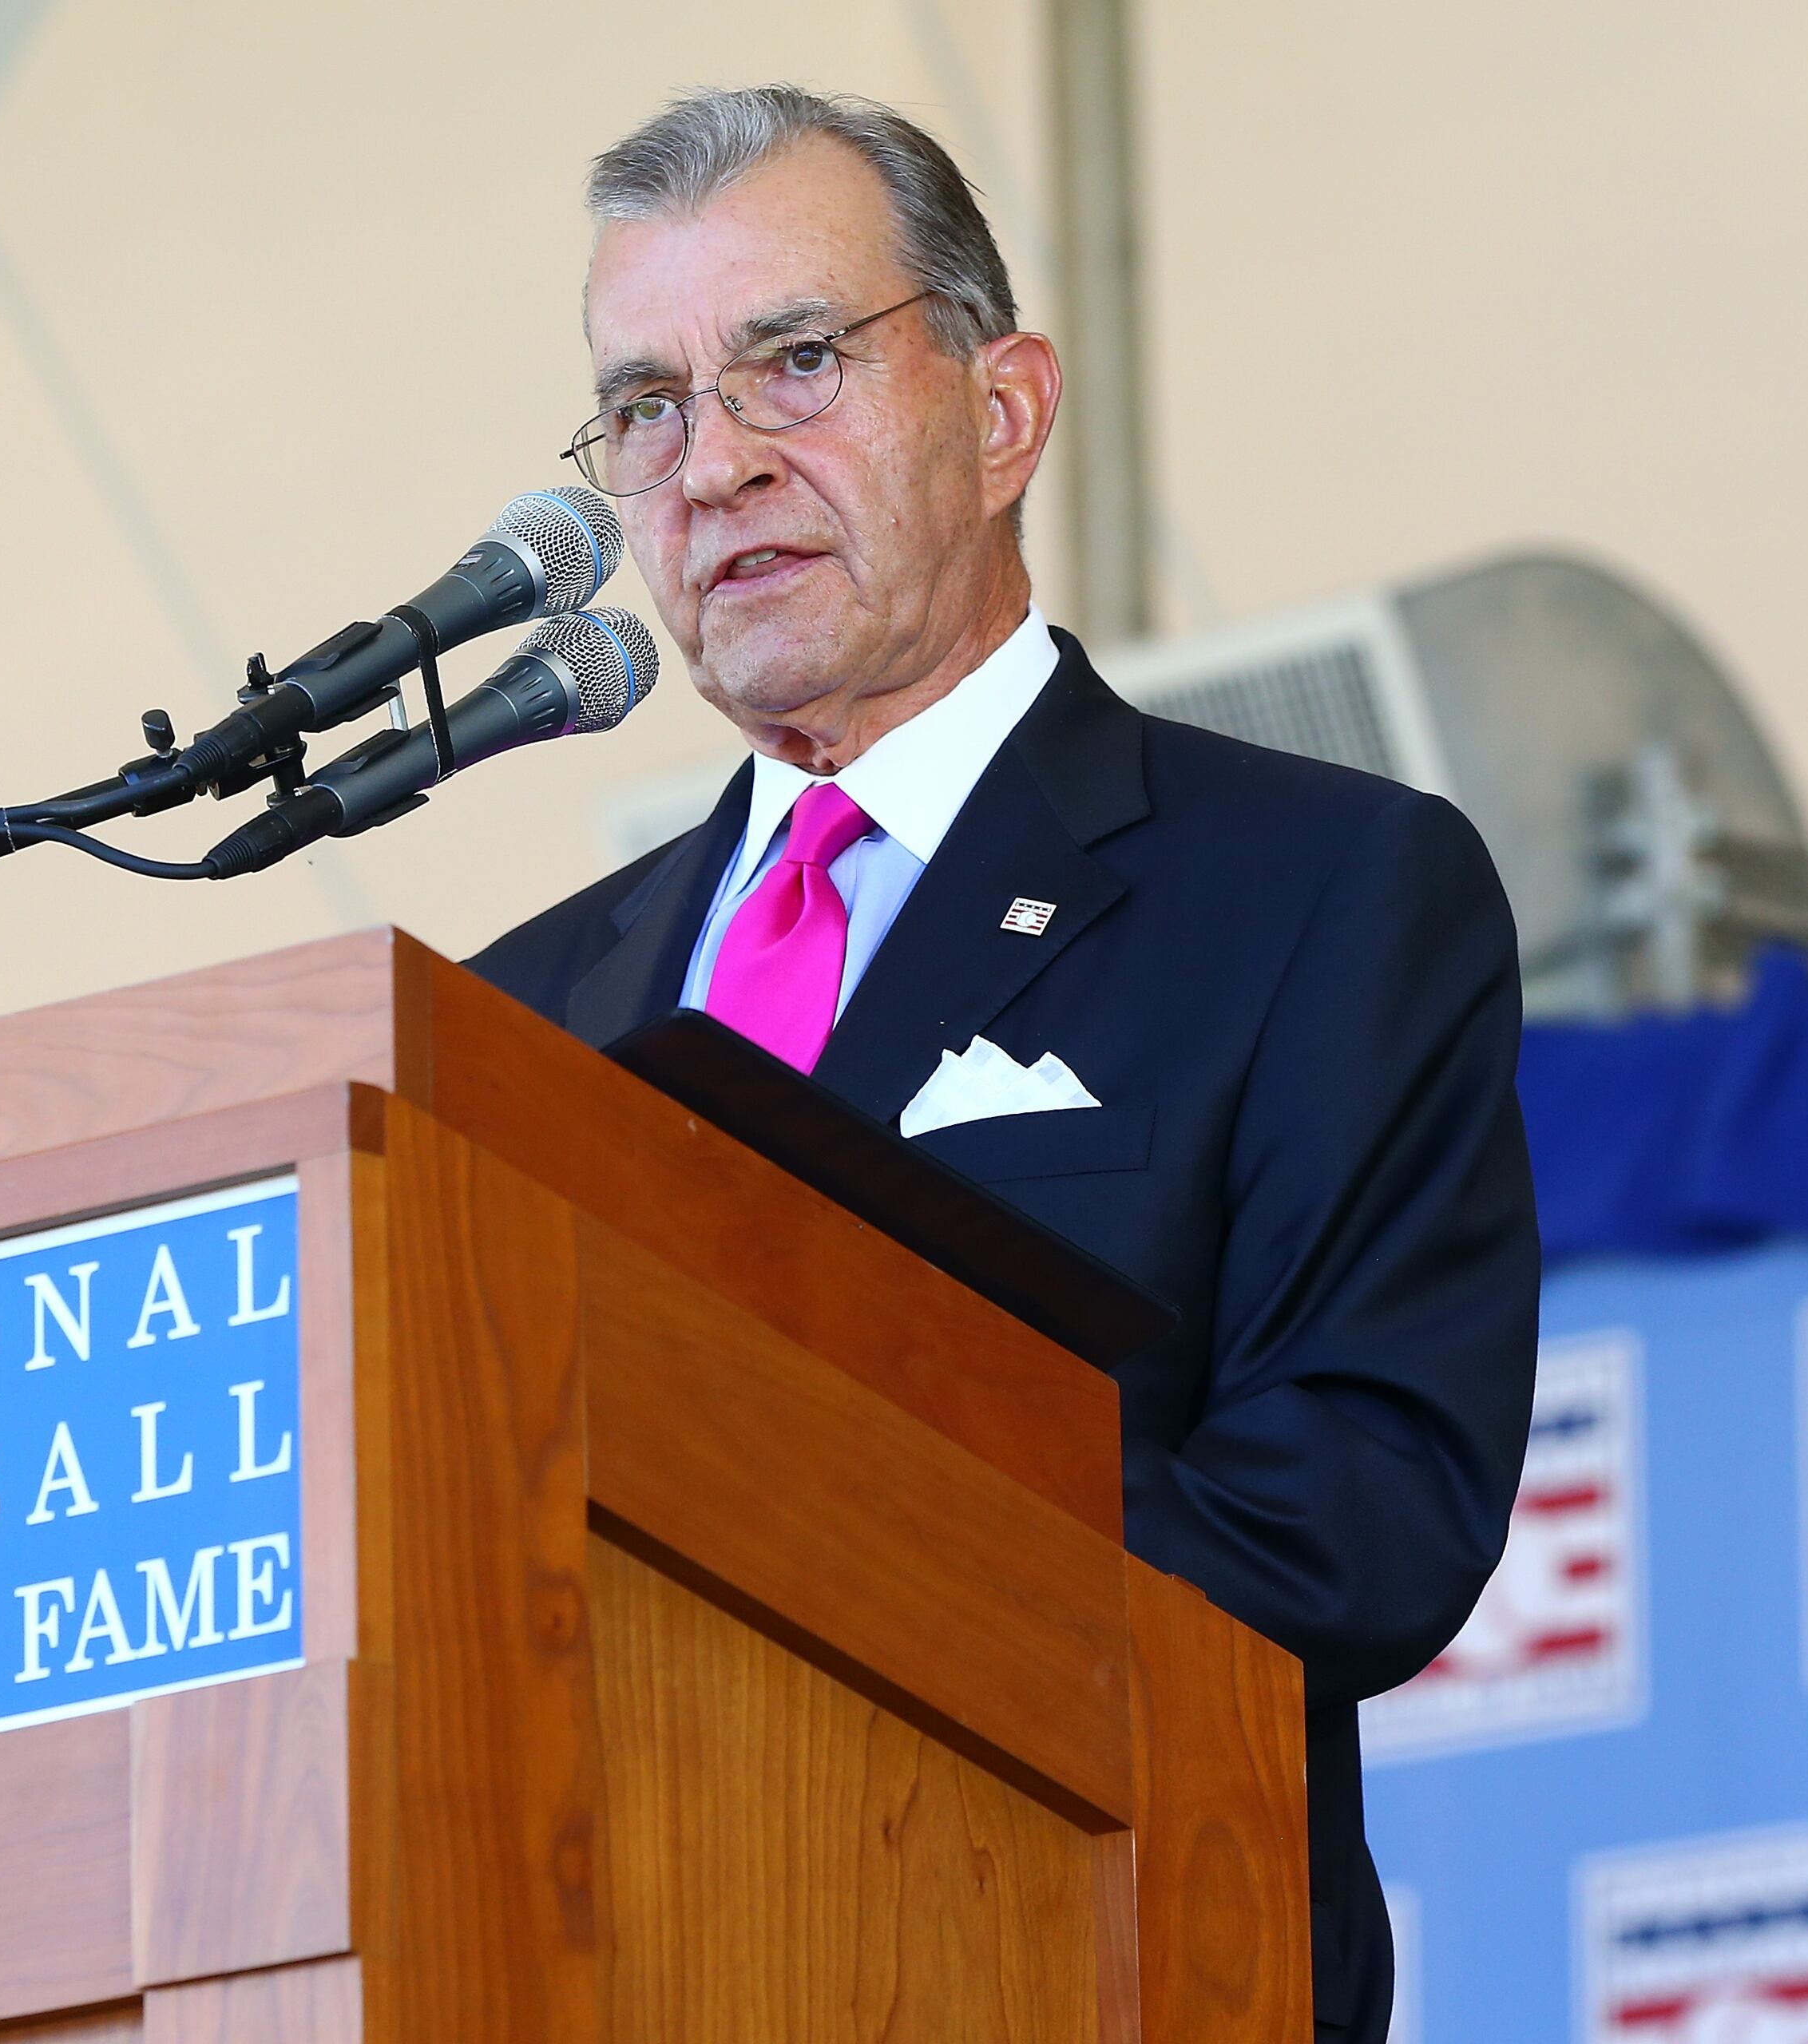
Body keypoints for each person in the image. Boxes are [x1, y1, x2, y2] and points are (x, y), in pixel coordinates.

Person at [468, 85, 1540, 2043]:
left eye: (793, 364)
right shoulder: (518, 1022)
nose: (709, 467)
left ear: (1004, 408)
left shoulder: (1312, 889)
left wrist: (806, 1488)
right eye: (645, 408)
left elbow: (1360, 1516)